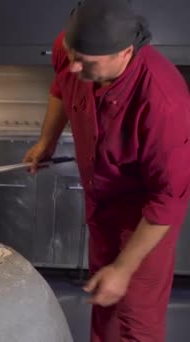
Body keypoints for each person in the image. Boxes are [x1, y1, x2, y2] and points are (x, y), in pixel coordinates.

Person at [22, 0, 190, 340]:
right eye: (71, 54)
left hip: (142, 218)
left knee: (133, 320)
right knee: (105, 301)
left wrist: (125, 268)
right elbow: (61, 86)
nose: (72, 66)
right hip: (101, 205)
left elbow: (167, 200)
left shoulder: (163, 104)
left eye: (85, 62)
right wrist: (47, 141)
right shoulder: (73, 50)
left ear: (125, 52)